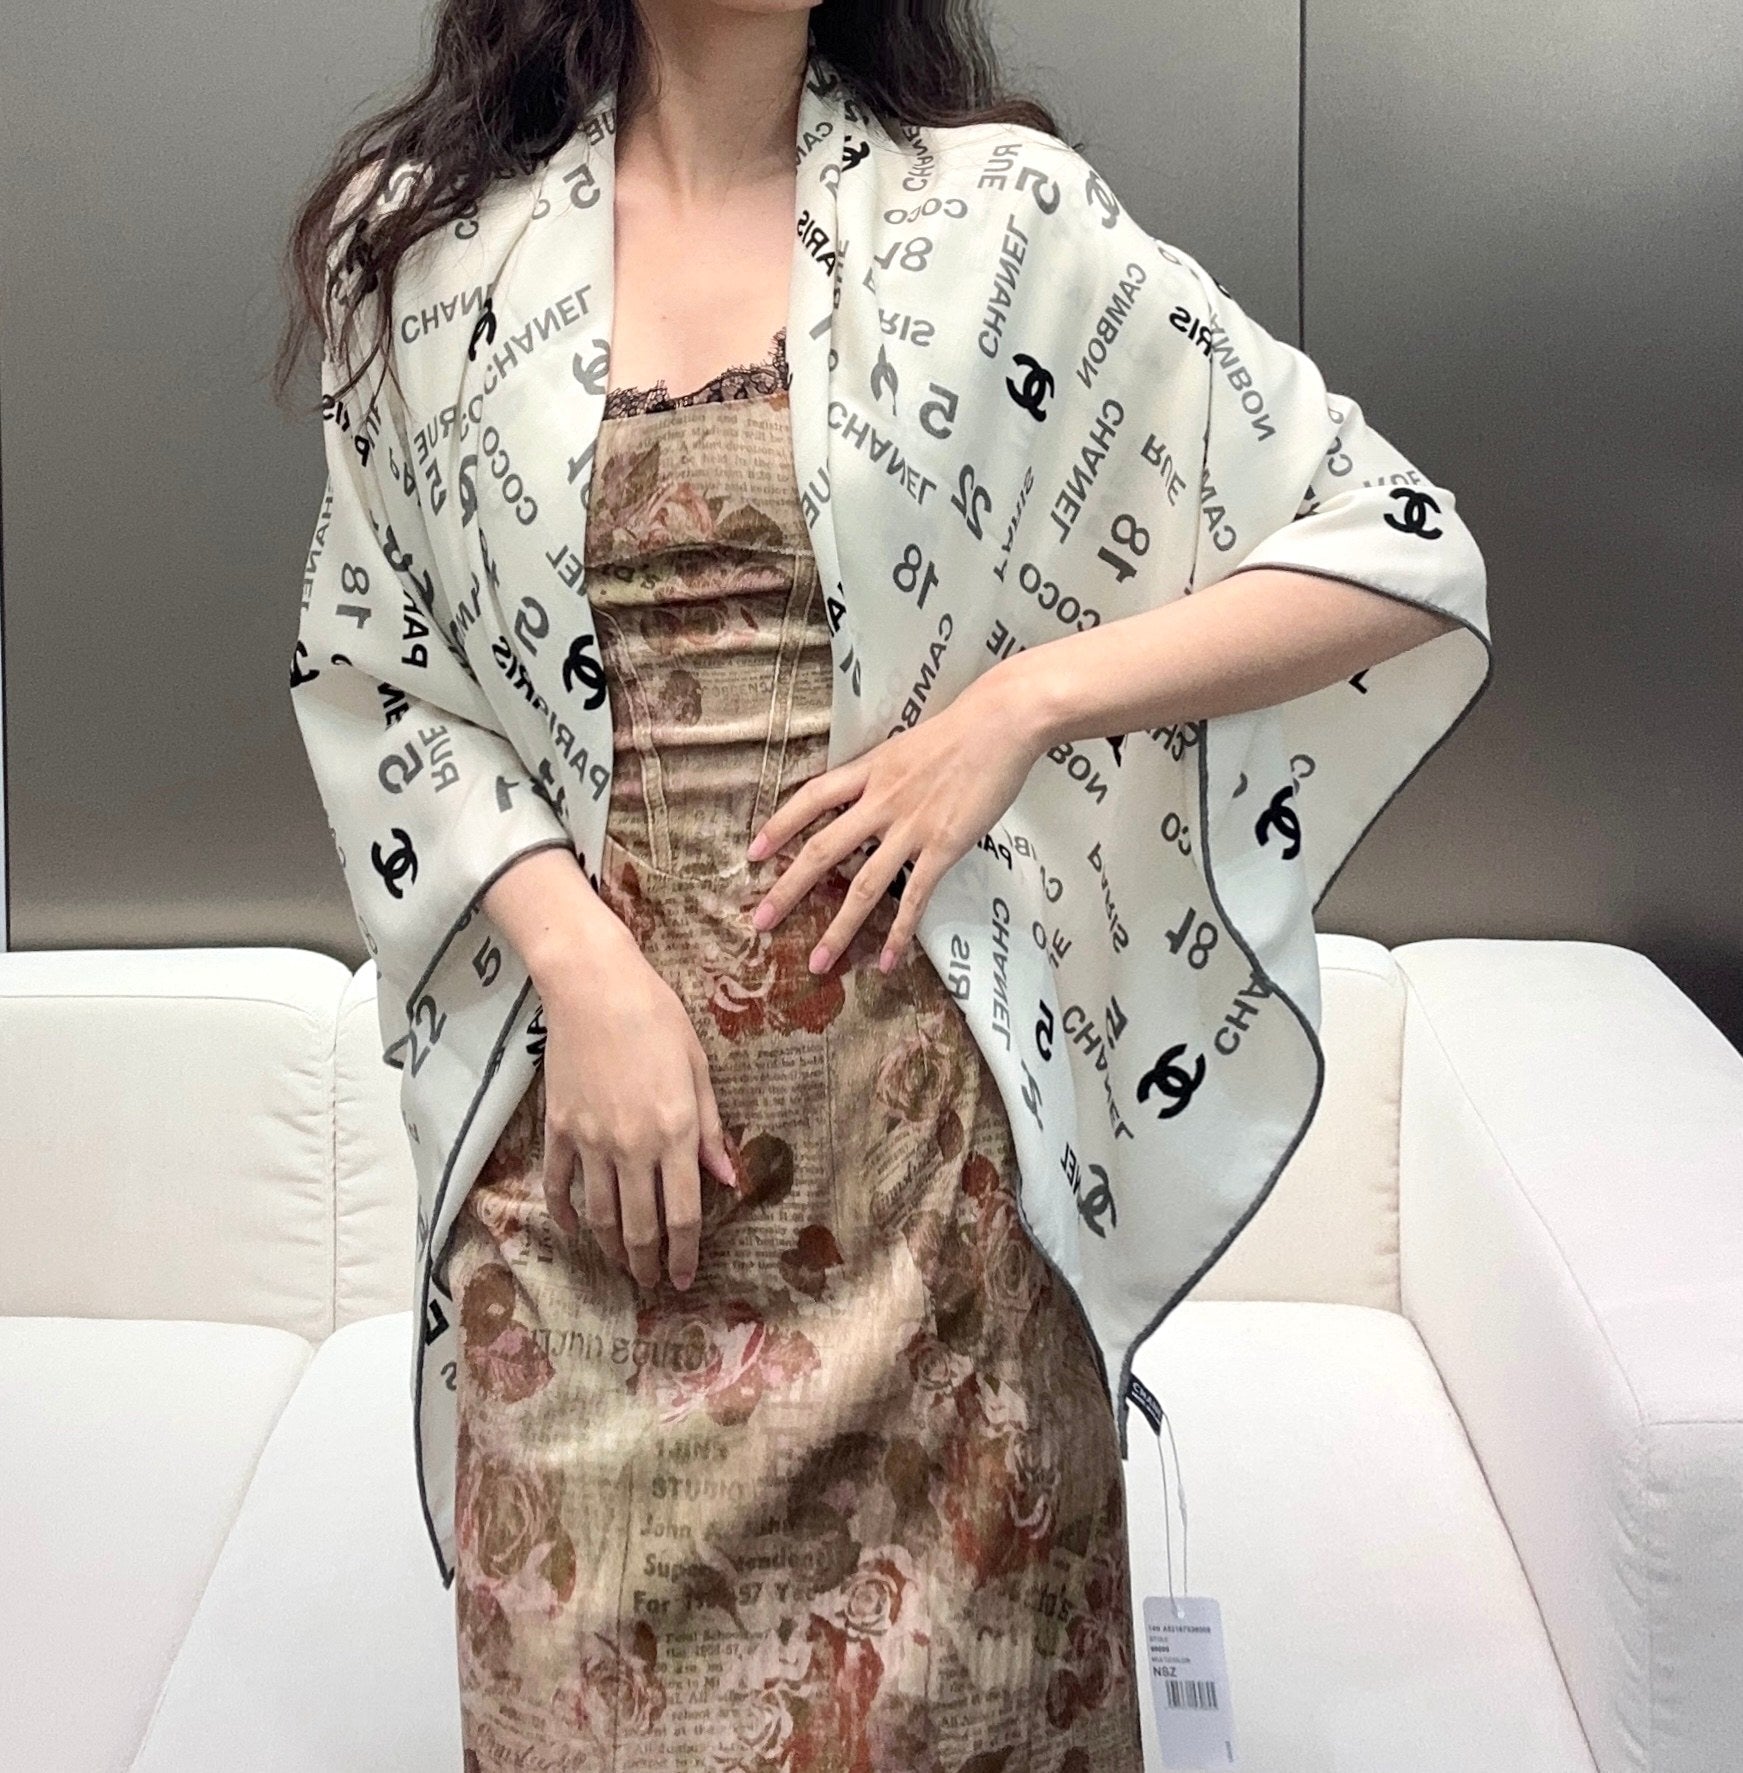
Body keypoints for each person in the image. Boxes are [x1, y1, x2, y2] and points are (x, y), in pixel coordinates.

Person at [277, 4, 1484, 1767]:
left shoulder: (995, 225)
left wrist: (1020, 704)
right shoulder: (436, 258)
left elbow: (1402, 549)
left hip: (932, 1253)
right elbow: (380, 681)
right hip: (592, 1218)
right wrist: (578, 963)